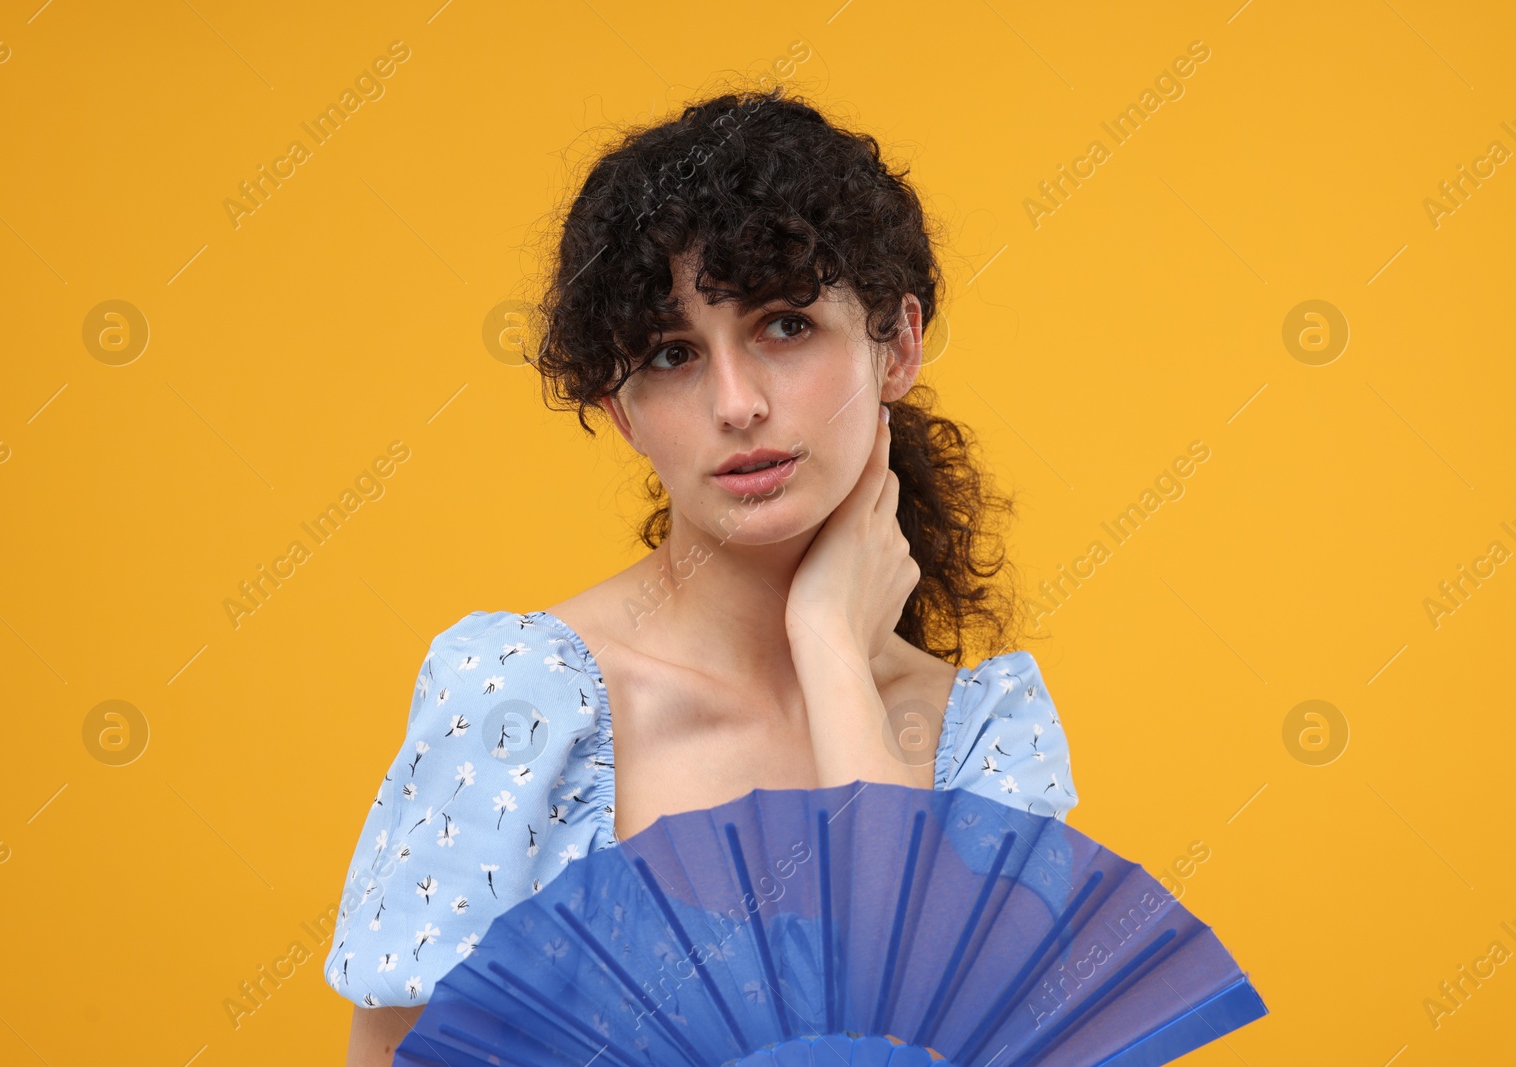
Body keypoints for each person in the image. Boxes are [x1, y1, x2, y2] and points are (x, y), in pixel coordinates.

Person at [328, 84, 1079, 1065]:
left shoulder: (985, 739)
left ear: (896, 342)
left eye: (784, 326)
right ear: (623, 408)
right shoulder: (520, 704)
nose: (735, 404)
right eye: (672, 352)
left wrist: (830, 651)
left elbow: (912, 1037)